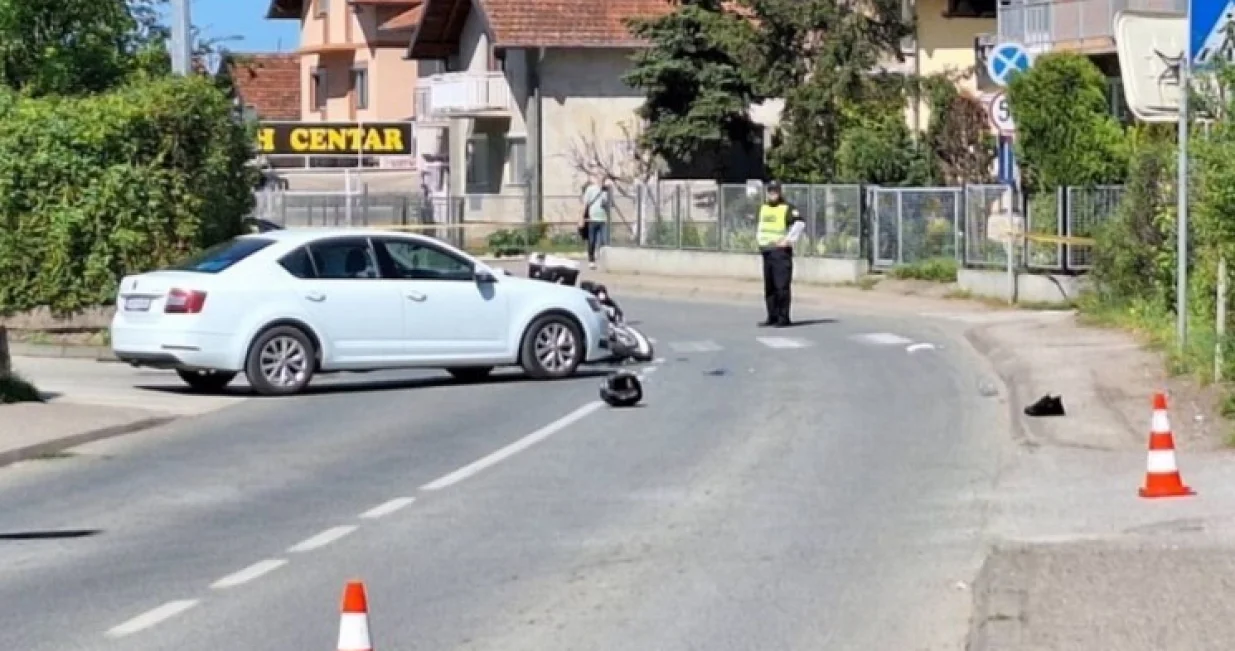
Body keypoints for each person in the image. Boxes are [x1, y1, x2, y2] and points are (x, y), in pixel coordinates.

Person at [755, 180, 805, 327]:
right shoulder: (763, 207)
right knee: (769, 287)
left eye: (775, 191)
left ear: (780, 192)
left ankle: (784, 318)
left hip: (780, 252)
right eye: (770, 191)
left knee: (781, 287)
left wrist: (788, 240)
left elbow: (800, 223)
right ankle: (772, 316)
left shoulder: (786, 208)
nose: (772, 194)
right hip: (767, 251)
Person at [580, 174, 611, 269]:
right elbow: (585, 204)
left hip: (603, 219)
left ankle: (603, 260)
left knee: (604, 241)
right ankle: (591, 260)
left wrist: (609, 189)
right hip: (592, 219)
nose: (601, 180)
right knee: (592, 240)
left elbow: (609, 204)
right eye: (599, 178)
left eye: (603, 179)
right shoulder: (591, 189)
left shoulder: (606, 191)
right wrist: (581, 218)